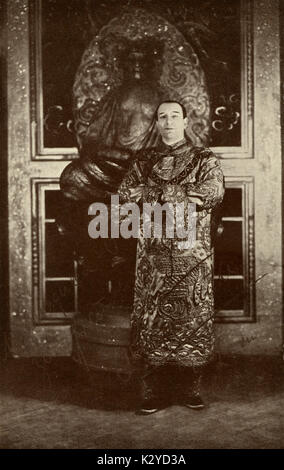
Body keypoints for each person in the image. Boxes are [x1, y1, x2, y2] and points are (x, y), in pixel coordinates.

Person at [117, 101, 225, 415]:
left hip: (191, 250)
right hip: (153, 251)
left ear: (185, 120)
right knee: (152, 314)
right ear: (156, 122)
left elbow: (213, 190)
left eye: (174, 116)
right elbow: (126, 190)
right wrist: (172, 193)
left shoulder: (203, 157)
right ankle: (151, 392)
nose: (167, 122)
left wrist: (162, 192)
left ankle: (190, 389)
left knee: (192, 311)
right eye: (162, 116)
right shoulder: (144, 158)